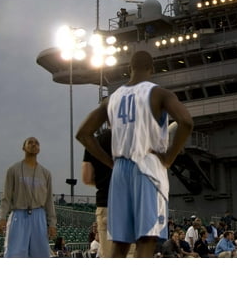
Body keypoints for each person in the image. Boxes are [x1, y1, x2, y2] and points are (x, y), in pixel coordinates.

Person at [76, 50, 193, 258]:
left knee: (120, 242)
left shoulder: (112, 98)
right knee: (146, 239)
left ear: (129, 68)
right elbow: (186, 122)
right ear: (152, 69)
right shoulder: (159, 93)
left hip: (120, 171)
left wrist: (110, 162)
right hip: (147, 167)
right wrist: (168, 158)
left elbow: (83, 133)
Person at [0, 137, 57, 258]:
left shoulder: (46, 173)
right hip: (18, 214)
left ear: (39, 149)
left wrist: (52, 224)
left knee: (41, 254)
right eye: (30, 142)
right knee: (14, 253)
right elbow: (6, 196)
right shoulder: (13, 170)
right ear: (23, 147)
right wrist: (2, 217)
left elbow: (49, 201)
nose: (34, 145)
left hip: (39, 215)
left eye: (37, 143)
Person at [81, 128, 113, 258]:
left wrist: (101, 181)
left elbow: (86, 178)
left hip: (106, 202)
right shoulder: (136, 137)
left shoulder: (94, 142)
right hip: (132, 204)